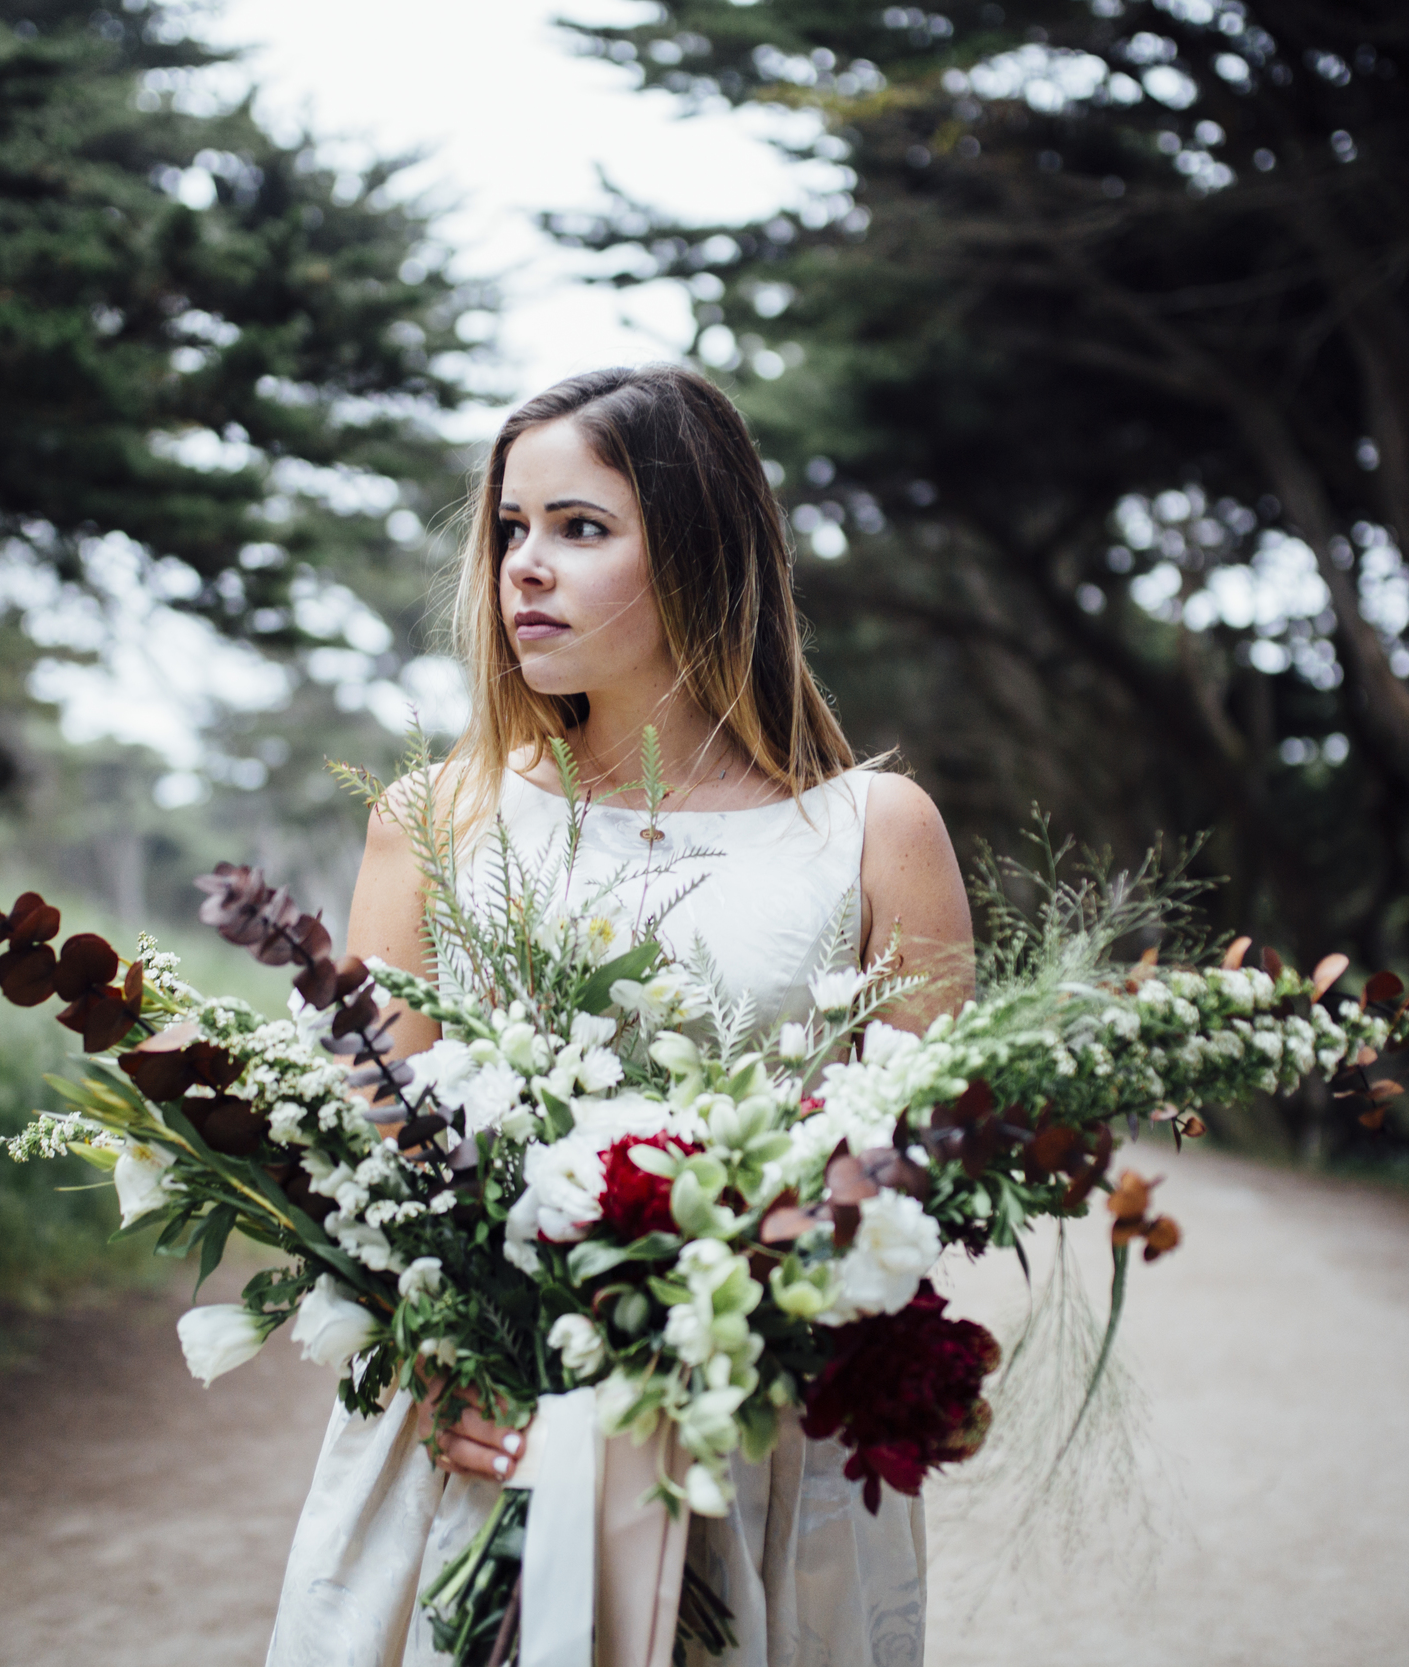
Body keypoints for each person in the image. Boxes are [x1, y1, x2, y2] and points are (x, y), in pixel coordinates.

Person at [263, 365, 974, 1667]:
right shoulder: (434, 820)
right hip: (475, 1452)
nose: (524, 567)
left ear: (701, 549)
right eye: (510, 531)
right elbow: (369, 1154)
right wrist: (450, 1365)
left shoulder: (876, 834)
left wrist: (709, 1369)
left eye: (580, 529)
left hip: (755, 1462)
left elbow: (920, 1173)